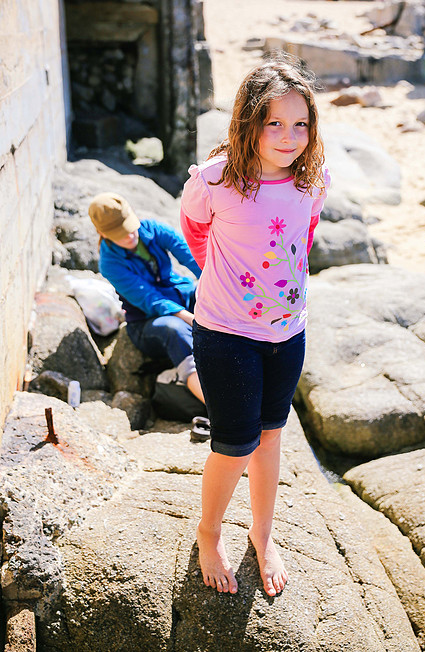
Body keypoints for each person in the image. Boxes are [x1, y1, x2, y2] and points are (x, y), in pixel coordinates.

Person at [180, 54, 330, 597]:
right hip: (225, 332)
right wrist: (225, 278)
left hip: (288, 333)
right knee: (234, 443)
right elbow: (196, 231)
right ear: (249, 122)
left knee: (271, 434)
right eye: (274, 123)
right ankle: (208, 533)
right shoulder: (216, 180)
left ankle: (263, 536)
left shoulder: (312, 180)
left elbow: (304, 237)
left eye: (300, 124)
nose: (289, 137)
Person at [88, 193, 205, 406]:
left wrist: (215, 284)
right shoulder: (110, 264)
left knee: (211, 297)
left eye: (129, 225)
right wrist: (193, 320)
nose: (130, 235)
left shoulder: (151, 229)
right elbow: (150, 299)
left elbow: (192, 256)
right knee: (176, 330)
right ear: (103, 234)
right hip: (148, 322)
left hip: (180, 293)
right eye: (120, 233)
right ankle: (218, 409)